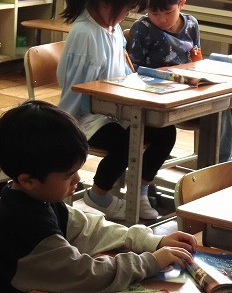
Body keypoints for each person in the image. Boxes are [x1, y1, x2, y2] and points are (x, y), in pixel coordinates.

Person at [0, 100, 197, 292]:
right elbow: (87, 276)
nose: (78, 179)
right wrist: (151, 262)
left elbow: (90, 229)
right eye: (69, 175)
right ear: (28, 180)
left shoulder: (33, 198)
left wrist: (152, 242)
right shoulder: (25, 228)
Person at [57, 0, 177, 220]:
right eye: (127, 8)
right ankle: (99, 193)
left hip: (114, 110)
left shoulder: (112, 28)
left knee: (165, 131)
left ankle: (140, 190)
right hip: (83, 117)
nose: (128, 15)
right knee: (129, 140)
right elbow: (76, 90)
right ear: (106, 2)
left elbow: (124, 71)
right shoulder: (85, 34)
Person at [128, 0, 232, 163]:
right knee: (220, 107)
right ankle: (220, 162)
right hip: (163, 97)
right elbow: (133, 70)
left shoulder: (191, 24)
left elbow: (197, 60)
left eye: (168, 12)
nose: (162, 19)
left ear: (181, 4)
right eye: (154, 13)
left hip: (193, 90)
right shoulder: (142, 29)